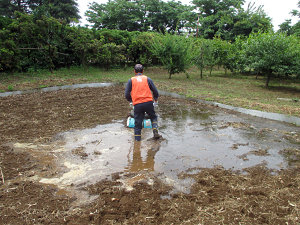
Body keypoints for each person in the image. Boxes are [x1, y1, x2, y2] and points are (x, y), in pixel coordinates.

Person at [125, 64, 161, 141]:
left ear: (134, 71)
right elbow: (155, 91)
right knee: (153, 117)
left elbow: (127, 94)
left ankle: (137, 144)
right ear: (143, 71)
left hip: (137, 104)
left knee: (138, 125)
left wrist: (131, 101)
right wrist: (156, 100)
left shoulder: (131, 80)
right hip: (148, 102)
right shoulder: (147, 79)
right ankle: (155, 129)